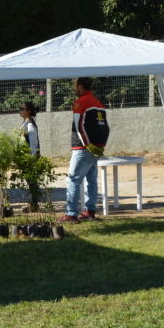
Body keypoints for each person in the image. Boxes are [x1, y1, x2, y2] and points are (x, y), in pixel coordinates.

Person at [61, 77, 109, 223]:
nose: (74, 88)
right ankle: (90, 211)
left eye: (75, 85)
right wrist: (99, 146)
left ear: (80, 86)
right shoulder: (98, 102)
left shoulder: (81, 102)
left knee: (73, 180)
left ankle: (71, 214)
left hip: (83, 148)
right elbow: (105, 127)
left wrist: (87, 145)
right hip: (95, 148)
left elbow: (79, 125)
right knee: (92, 180)